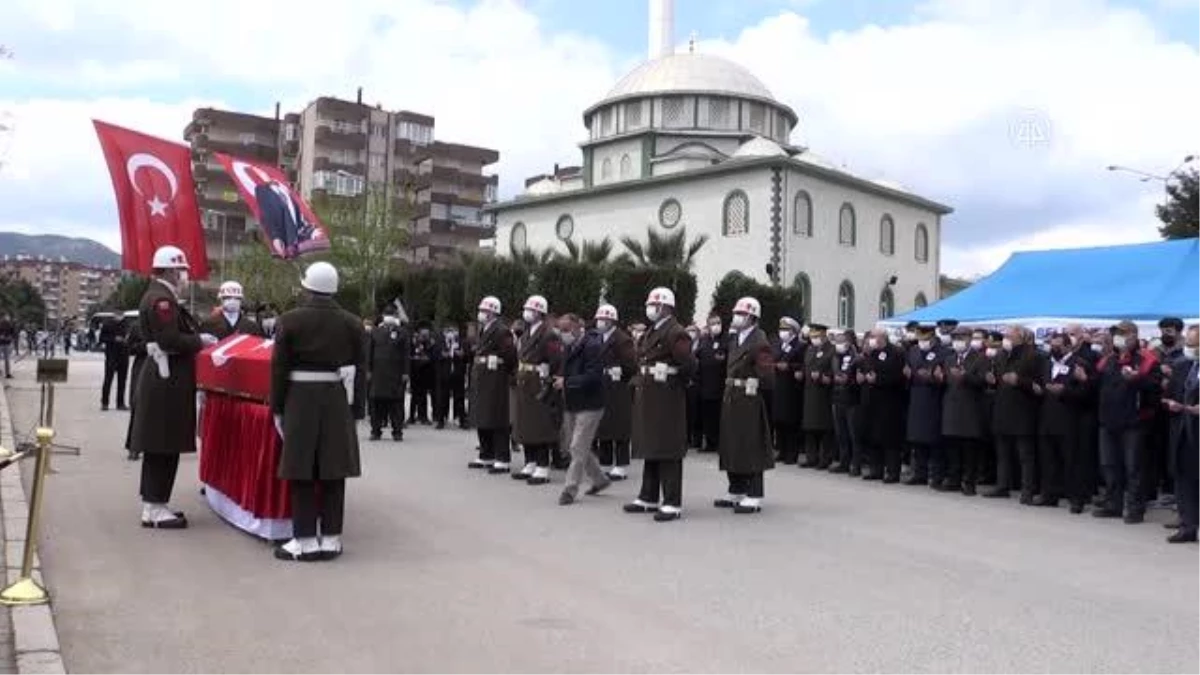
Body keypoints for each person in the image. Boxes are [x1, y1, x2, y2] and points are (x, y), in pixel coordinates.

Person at [270, 261, 366, 562]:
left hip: (300, 397)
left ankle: (305, 540)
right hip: (337, 398)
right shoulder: (352, 322)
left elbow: (279, 368)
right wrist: (357, 409)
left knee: (302, 470)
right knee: (333, 471)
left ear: (307, 286)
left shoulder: (290, 320)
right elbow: (362, 369)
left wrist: (277, 405)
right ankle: (332, 539)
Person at [129, 245, 218, 529]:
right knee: (162, 444)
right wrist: (199, 341)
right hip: (165, 381)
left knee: (163, 445)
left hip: (165, 379)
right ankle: (155, 507)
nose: (185, 276)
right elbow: (169, 340)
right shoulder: (161, 300)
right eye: (182, 270)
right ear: (171, 269)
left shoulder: (161, 296)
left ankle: (155, 504)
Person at [623, 287, 697, 522]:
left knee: (667, 448)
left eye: (654, 305)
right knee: (651, 445)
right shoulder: (652, 331)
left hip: (666, 396)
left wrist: (672, 380)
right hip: (649, 395)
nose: (650, 309)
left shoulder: (676, 332)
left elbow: (689, 365)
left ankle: (672, 502)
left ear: (666, 307)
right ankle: (648, 496)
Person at [1094, 321, 1161, 524]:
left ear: (1134, 335)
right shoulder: (1108, 360)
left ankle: (1135, 508)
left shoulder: (1148, 360)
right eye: (1117, 334)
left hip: (1134, 422)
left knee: (1134, 467)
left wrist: (1137, 379)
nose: (1119, 337)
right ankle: (1113, 504)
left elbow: (1156, 389)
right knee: (1109, 465)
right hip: (1108, 420)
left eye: (1123, 334)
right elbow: (1097, 383)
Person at [714, 297, 775, 514]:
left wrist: (754, 381)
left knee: (751, 445)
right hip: (732, 396)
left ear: (751, 317)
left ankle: (755, 493)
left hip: (748, 399)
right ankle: (736, 488)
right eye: (736, 313)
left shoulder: (760, 341)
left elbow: (768, 376)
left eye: (740, 314)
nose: (735, 317)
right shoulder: (735, 339)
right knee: (732, 444)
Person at [554, 313, 612, 505]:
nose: (563, 334)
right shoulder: (568, 346)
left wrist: (567, 382)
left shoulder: (592, 346)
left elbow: (594, 376)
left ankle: (569, 490)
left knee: (577, 446)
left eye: (566, 330)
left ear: (578, 327)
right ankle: (600, 480)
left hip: (591, 404)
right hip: (572, 402)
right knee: (579, 446)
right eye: (560, 330)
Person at [985, 326, 1043, 502]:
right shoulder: (1001, 355)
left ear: (1022, 337)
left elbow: (1038, 385)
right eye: (1006, 336)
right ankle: (1002, 485)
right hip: (1002, 409)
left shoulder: (1033, 355)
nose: (1006, 339)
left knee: (1025, 455)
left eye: (1010, 336)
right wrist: (992, 381)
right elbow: (998, 378)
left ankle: (1028, 489)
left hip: (1022, 411)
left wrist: (1019, 381)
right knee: (1002, 453)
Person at [511, 295, 563, 485]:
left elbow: (556, 360)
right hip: (525, 381)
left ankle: (542, 466)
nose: (527, 313)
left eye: (531, 309)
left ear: (540, 312)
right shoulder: (525, 333)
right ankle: (530, 462)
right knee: (526, 423)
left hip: (539, 382)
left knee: (540, 424)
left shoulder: (549, 334)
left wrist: (551, 379)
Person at [468, 297, 518, 473]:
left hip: (496, 379)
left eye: (485, 310)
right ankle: (486, 454)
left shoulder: (502, 331)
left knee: (497, 418)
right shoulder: (484, 329)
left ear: (493, 312)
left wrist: (504, 369)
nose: (481, 313)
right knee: (483, 417)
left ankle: (502, 458)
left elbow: (510, 356)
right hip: (483, 378)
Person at [939, 327, 990, 495]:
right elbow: (945, 381)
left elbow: (983, 381)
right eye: (955, 338)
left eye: (961, 337)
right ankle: (954, 478)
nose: (958, 341)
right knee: (952, 446)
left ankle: (969, 482)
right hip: (952, 407)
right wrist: (939, 378)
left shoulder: (980, 358)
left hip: (970, 408)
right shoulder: (949, 358)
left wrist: (965, 377)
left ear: (969, 339)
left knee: (969, 449)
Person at [1163, 325, 1200, 543]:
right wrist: (1171, 403)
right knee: (1184, 480)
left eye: (1193, 345)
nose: (1188, 348)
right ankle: (1188, 526)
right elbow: (1168, 395)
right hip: (1183, 430)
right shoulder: (1182, 366)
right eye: (1187, 343)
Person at [592, 304, 637, 481]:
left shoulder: (622, 339)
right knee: (603, 425)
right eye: (599, 319)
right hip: (601, 385)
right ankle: (605, 462)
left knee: (619, 426)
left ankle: (621, 465)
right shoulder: (597, 337)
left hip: (617, 387)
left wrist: (619, 372)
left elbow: (631, 365)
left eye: (604, 319)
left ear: (612, 321)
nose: (600, 322)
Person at [859, 329, 906, 482]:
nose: (871, 340)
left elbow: (898, 376)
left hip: (890, 402)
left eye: (874, 337)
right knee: (874, 436)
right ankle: (876, 469)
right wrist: (864, 376)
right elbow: (867, 369)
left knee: (890, 439)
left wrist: (877, 380)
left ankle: (892, 471)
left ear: (882, 338)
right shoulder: (872, 353)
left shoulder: (896, 353)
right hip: (873, 401)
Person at [904, 325, 946, 486]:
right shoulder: (913, 351)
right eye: (920, 339)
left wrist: (932, 378)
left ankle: (936, 475)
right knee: (917, 439)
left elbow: (942, 377)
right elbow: (909, 369)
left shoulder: (942, 352)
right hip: (916, 397)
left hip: (933, 398)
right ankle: (919, 473)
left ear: (933, 337)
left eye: (926, 339)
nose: (922, 342)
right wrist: (908, 375)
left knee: (934, 440)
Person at [368, 305, 409, 442]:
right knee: (376, 404)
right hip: (378, 374)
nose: (389, 316)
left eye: (391, 314)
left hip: (395, 374)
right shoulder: (375, 332)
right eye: (387, 314)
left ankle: (397, 432)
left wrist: (406, 372)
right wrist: (368, 370)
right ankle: (375, 431)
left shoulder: (402, 332)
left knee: (396, 404)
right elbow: (369, 353)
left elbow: (406, 354)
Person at [770, 317, 806, 465]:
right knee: (779, 421)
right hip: (779, 386)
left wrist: (790, 367)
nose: (783, 332)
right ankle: (782, 450)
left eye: (786, 330)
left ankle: (792, 453)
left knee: (791, 422)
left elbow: (802, 364)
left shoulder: (800, 346)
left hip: (792, 389)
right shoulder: (778, 344)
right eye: (781, 329)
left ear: (794, 331)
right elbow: (774, 357)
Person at [801, 324, 836, 469]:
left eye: (816, 335)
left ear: (823, 334)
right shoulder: (810, 349)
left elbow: (834, 370)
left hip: (823, 394)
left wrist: (824, 377)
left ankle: (825, 458)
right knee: (809, 427)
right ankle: (811, 457)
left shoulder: (831, 350)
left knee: (824, 428)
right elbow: (806, 366)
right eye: (812, 336)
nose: (814, 338)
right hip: (810, 392)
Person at [694, 314, 728, 453]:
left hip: (720, 385)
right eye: (713, 323)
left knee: (720, 416)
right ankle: (710, 443)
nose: (716, 326)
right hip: (705, 385)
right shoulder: (704, 340)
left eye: (718, 323)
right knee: (707, 416)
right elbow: (696, 356)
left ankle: (721, 443)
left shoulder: (726, 340)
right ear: (708, 326)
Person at [831, 330, 863, 475]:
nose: (839, 345)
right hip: (838, 398)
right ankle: (844, 462)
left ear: (849, 342)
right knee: (841, 433)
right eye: (837, 342)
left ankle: (856, 464)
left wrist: (848, 380)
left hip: (852, 399)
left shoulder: (856, 357)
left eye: (842, 341)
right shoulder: (835, 357)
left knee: (853, 434)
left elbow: (859, 378)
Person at [434, 324, 468, 429]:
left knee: (459, 398)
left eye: (453, 330)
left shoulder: (462, 341)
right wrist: (442, 355)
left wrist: (462, 354)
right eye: (448, 330)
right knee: (442, 398)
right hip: (444, 374)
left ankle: (461, 419)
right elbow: (435, 355)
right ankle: (441, 420)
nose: (451, 333)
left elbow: (467, 355)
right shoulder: (440, 341)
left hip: (457, 373)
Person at [123, 310, 146, 461]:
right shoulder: (137, 326)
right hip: (142, 367)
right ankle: (134, 447)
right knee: (139, 406)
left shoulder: (166, 325)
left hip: (163, 369)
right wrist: (146, 346)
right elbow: (129, 348)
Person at [99, 314, 130, 411]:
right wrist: (114, 339)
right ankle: (105, 403)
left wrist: (127, 340)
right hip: (111, 355)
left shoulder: (126, 324)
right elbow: (102, 338)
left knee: (122, 381)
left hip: (124, 355)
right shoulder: (107, 324)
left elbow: (130, 337)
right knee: (108, 379)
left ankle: (120, 403)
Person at [0, 313, 14, 378]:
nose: (8, 318)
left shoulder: (9, 325)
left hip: (6, 343)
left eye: (8, 317)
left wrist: (10, 338)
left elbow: (12, 333)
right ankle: (6, 373)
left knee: (7, 359)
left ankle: (7, 373)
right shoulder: (1, 324)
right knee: (5, 359)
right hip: (2, 343)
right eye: (6, 317)